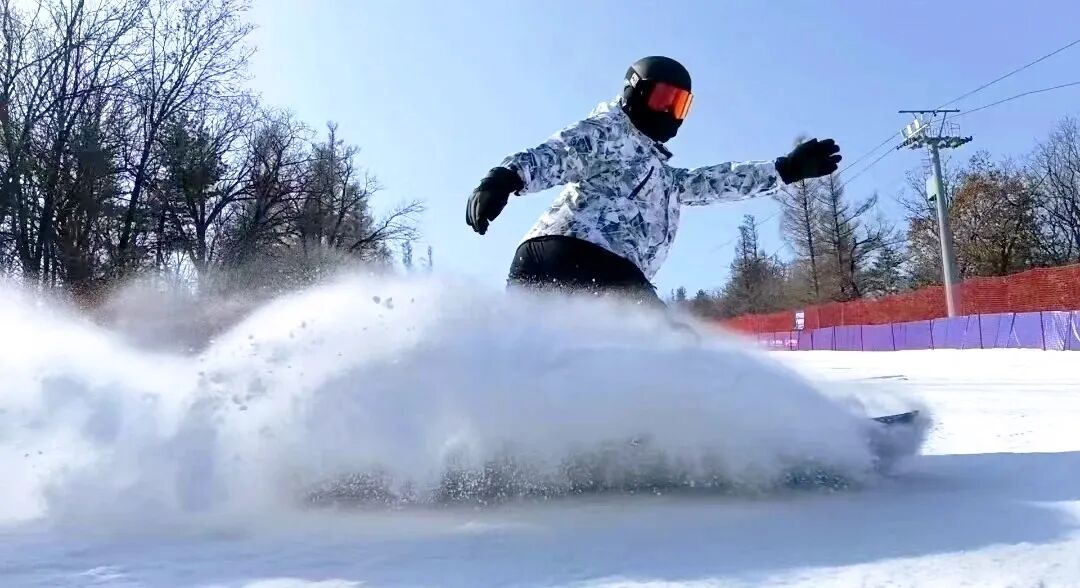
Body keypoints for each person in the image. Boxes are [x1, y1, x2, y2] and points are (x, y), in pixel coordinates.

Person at [465, 55, 841, 307]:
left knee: (555, 361)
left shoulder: (664, 177)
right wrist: (504, 177)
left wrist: (784, 170)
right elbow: (563, 149)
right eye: (664, 99)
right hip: (584, 256)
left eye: (680, 106)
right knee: (664, 347)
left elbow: (712, 182)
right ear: (635, 92)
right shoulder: (614, 129)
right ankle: (657, 422)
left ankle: (529, 419)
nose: (670, 114)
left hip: (548, 261)